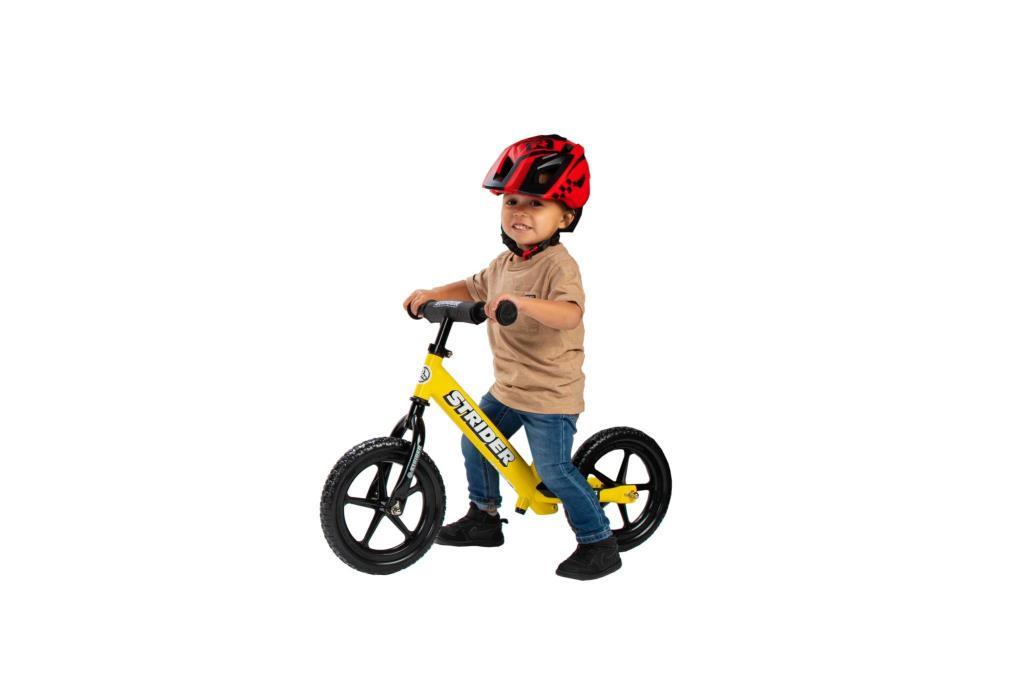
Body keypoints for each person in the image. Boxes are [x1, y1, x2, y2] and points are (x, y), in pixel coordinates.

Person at [402, 133, 619, 580]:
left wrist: (522, 305)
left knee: (553, 471)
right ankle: (484, 517)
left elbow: (569, 313)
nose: (520, 211)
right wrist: (431, 293)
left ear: (566, 216)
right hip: (509, 388)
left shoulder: (558, 266)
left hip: (549, 395)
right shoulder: (505, 263)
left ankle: (598, 541)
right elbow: (473, 286)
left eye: (536, 203)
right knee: (476, 440)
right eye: (512, 202)